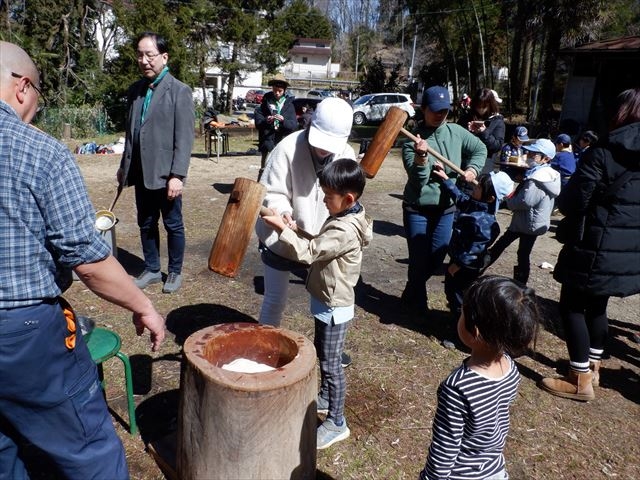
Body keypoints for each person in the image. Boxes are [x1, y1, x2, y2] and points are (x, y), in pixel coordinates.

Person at [0, 40, 165, 479]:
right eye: (37, 94)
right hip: (23, 338)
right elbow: (88, 261)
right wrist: (143, 305)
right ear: (22, 87)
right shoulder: (39, 151)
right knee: (90, 452)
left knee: (5, 448)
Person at [262, 159, 372, 450]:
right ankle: (325, 395)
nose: (323, 200)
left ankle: (337, 422)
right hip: (327, 298)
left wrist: (282, 232)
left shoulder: (345, 229)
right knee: (324, 352)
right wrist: (296, 229)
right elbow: (322, 245)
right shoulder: (349, 215)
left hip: (335, 305)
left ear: (348, 198)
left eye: (327, 196)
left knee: (333, 364)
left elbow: (310, 254)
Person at [540, 88, 640, 401]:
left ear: (620, 112)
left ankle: (579, 378)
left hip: (594, 243)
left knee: (571, 305)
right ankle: (592, 365)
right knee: (598, 305)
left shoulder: (604, 150)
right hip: (627, 249)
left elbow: (573, 201)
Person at [255, 97, 356, 366]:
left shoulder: (346, 154)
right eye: (320, 141)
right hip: (280, 233)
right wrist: (282, 210)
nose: (324, 150)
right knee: (275, 298)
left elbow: (348, 198)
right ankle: (264, 347)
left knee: (326, 299)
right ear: (310, 125)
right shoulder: (287, 148)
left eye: (330, 144)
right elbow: (270, 192)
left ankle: (328, 352)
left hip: (318, 241)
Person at [419, 275, 540, 480]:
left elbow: (445, 449)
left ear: (474, 331)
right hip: (494, 469)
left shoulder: (457, 388)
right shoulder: (510, 367)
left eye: (462, 313)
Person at [117, 32, 194, 294]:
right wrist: (124, 166)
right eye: (140, 54)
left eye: (150, 55)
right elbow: (132, 133)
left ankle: (174, 272)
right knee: (145, 222)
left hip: (166, 174)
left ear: (164, 56)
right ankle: (151, 268)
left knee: (173, 224)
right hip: (140, 171)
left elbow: (184, 138)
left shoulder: (180, 91)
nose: (144, 60)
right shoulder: (135, 91)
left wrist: (178, 175)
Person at [400, 85, 487, 316]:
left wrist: (473, 169)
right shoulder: (412, 140)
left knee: (438, 256)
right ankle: (418, 305)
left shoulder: (456, 132)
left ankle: (412, 288)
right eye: (436, 110)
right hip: (416, 208)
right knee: (419, 260)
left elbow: (480, 148)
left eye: (445, 110)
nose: (440, 115)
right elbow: (418, 182)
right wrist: (421, 156)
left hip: (446, 208)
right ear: (424, 109)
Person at [431, 163, 515, 320]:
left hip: (467, 267)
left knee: (459, 296)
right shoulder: (475, 205)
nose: (474, 188)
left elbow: (475, 250)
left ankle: (463, 331)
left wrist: (459, 265)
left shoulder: (485, 222)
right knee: (451, 290)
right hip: (458, 260)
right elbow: (460, 198)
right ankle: (459, 322)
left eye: (478, 188)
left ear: (490, 197)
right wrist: (446, 179)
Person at [487, 138, 561, 285]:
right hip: (533, 222)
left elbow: (524, 201)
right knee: (522, 253)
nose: (529, 155)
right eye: (529, 152)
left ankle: (477, 270)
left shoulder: (537, 178)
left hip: (526, 223)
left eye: (534, 154)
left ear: (545, 158)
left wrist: (509, 199)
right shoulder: (549, 175)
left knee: (503, 247)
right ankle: (520, 284)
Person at [254, 73, 297, 178]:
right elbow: (258, 123)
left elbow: (293, 125)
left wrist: (283, 121)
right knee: (264, 169)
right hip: (267, 141)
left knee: (280, 170)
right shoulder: (264, 104)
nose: (277, 93)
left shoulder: (290, 105)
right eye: (275, 90)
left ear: (284, 90)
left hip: (282, 142)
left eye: (280, 91)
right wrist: (266, 120)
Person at [458, 87, 505, 173]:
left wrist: (483, 132)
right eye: (478, 106)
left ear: (490, 104)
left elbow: (497, 147)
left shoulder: (497, 121)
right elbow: (455, 138)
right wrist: (466, 131)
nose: (480, 109)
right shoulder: (466, 118)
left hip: (484, 166)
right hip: (461, 164)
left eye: (484, 106)